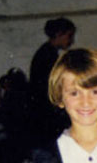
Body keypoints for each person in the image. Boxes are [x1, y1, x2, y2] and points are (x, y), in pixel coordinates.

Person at [29, 17, 76, 145]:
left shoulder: (48, 52)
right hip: (46, 110)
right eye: (69, 36)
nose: (71, 40)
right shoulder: (48, 55)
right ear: (59, 34)